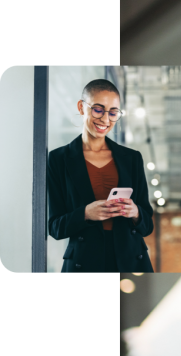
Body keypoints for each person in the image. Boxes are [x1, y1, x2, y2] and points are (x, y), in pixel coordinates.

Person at [48, 79, 154, 273]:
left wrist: (135, 212)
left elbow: (147, 226)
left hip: (130, 260)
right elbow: (55, 227)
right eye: (98, 109)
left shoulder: (132, 158)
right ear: (82, 107)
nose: (106, 120)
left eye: (113, 113)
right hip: (83, 260)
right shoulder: (58, 159)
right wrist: (85, 214)